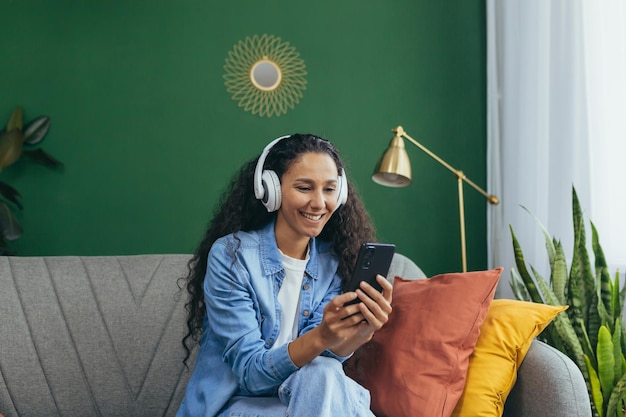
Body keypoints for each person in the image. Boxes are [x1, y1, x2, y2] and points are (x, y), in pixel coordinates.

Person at [176, 133, 393, 417]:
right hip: (235, 406)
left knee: (324, 372)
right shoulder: (232, 256)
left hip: (305, 401)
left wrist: (360, 333)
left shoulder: (331, 263)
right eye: (304, 188)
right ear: (271, 190)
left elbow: (322, 358)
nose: (319, 203)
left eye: (329, 190)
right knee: (333, 386)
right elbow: (251, 374)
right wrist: (323, 335)